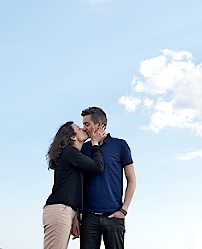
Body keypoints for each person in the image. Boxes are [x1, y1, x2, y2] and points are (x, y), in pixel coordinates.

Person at [73, 106, 136, 249]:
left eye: (87, 124)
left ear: (100, 125)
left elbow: (131, 179)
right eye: (83, 124)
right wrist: (76, 216)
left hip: (114, 216)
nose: (84, 128)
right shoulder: (84, 149)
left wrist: (124, 210)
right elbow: (78, 184)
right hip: (88, 217)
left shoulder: (120, 145)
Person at [43, 121, 105, 249]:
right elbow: (98, 166)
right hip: (60, 210)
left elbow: (73, 188)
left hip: (65, 210)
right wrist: (95, 144)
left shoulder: (72, 155)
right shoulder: (69, 151)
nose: (83, 128)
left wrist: (75, 215)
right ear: (72, 137)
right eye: (79, 128)